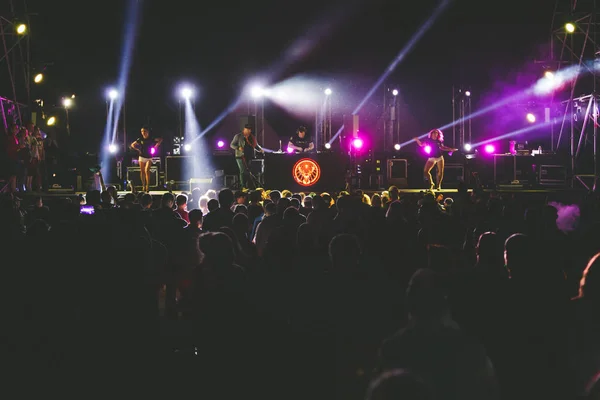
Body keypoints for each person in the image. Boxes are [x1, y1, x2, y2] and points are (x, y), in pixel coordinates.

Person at [230, 124, 263, 189]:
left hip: (249, 156)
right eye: (247, 129)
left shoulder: (252, 137)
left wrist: (260, 150)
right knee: (243, 171)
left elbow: (256, 145)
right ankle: (243, 186)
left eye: (249, 130)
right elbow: (232, 145)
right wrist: (238, 147)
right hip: (240, 156)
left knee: (249, 171)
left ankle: (248, 186)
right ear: (244, 129)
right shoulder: (238, 136)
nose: (248, 131)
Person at [130, 126, 162, 192]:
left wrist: (156, 146)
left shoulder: (151, 138)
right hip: (142, 156)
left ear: (147, 132)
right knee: (142, 171)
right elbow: (132, 144)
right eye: (142, 131)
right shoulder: (140, 139)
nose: (143, 133)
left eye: (144, 131)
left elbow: (160, 139)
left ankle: (148, 185)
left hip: (149, 156)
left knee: (147, 170)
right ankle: (143, 185)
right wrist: (137, 149)